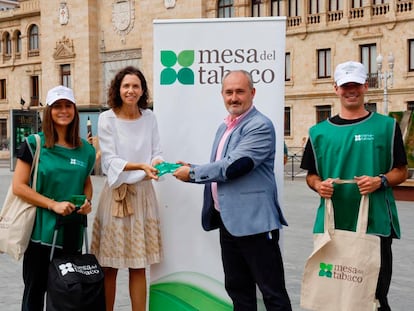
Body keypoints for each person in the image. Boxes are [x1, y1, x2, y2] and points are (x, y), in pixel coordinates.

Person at [173, 70, 292, 311]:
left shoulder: (260, 125)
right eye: (229, 92)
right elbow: (223, 163)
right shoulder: (225, 126)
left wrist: (194, 174)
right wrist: (191, 167)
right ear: (222, 95)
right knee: (239, 292)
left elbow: (237, 165)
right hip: (229, 222)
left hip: (255, 224)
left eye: (240, 91)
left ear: (253, 93)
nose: (234, 97)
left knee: (272, 293)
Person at [300, 61, 408, 310]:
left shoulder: (386, 126)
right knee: (334, 294)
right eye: (346, 85)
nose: (351, 90)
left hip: (375, 224)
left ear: (365, 87)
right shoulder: (318, 133)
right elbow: (311, 175)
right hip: (332, 226)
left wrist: (380, 181)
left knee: (373, 295)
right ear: (335, 88)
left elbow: (401, 171)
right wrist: (318, 186)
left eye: (356, 85)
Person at [12, 85, 96, 311]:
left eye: (68, 106)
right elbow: (18, 187)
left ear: (75, 111)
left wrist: (87, 203)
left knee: (67, 297)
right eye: (57, 106)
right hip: (40, 234)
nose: (63, 111)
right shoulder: (34, 144)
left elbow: (86, 183)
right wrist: (53, 204)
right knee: (35, 294)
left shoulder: (86, 150)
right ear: (48, 111)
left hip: (71, 234)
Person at [90, 66, 163, 311]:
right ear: (118, 89)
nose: (131, 91)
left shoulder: (150, 117)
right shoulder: (106, 118)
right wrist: (141, 166)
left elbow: (156, 152)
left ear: (142, 90)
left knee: (138, 264)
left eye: (136, 86)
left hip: (143, 195)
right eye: (126, 86)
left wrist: (158, 165)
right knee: (109, 266)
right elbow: (110, 160)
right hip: (116, 196)